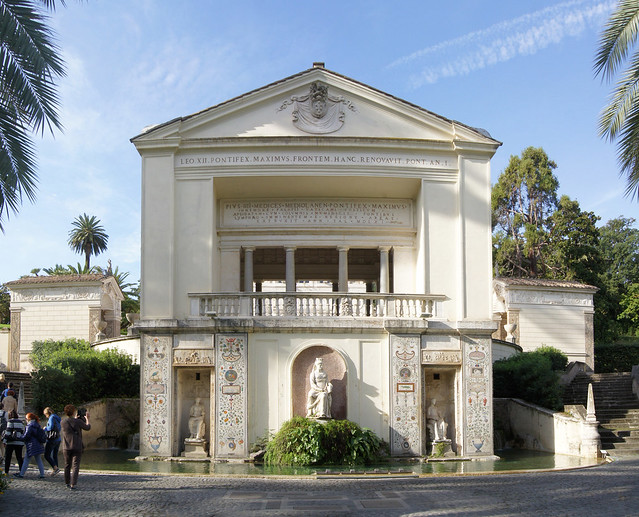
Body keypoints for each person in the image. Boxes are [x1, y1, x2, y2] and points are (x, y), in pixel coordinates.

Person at [61, 404, 91, 490]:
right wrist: (87, 419)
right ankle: (73, 484)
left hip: (66, 446)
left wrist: (75, 419)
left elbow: (71, 424)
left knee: (67, 465)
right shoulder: (78, 422)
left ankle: (67, 482)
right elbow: (87, 427)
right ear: (74, 412)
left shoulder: (63, 422)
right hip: (77, 446)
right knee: (75, 465)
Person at [15, 412, 45, 478]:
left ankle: (21, 474)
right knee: (38, 459)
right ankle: (42, 474)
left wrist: (19, 437)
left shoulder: (29, 426)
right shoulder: (37, 425)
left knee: (26, 459)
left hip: (31, 445)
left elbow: (26, 436)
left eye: (26, 418)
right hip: (38, 444)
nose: (25, 420)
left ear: (29, 419)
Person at [3, 409, 24, 474]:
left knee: (8, 457)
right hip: (19, 442)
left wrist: (4, 441)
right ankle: (21, 471)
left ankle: (6, 471)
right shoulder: (21, 422)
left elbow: (8, 432)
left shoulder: (10, 421)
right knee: (19, 457)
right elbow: (22, 431)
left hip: (11, 442)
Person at [43, 407, 61, 475]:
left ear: (47, 413)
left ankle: (55, 468)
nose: (46, 416)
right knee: (54, 455)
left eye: (45, 415)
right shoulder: (56, 417)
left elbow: (50, 427)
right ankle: (56, 469)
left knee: (46, 455)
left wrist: (45, 428)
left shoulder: (51, 418)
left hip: (52, 439)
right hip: (58, 438)